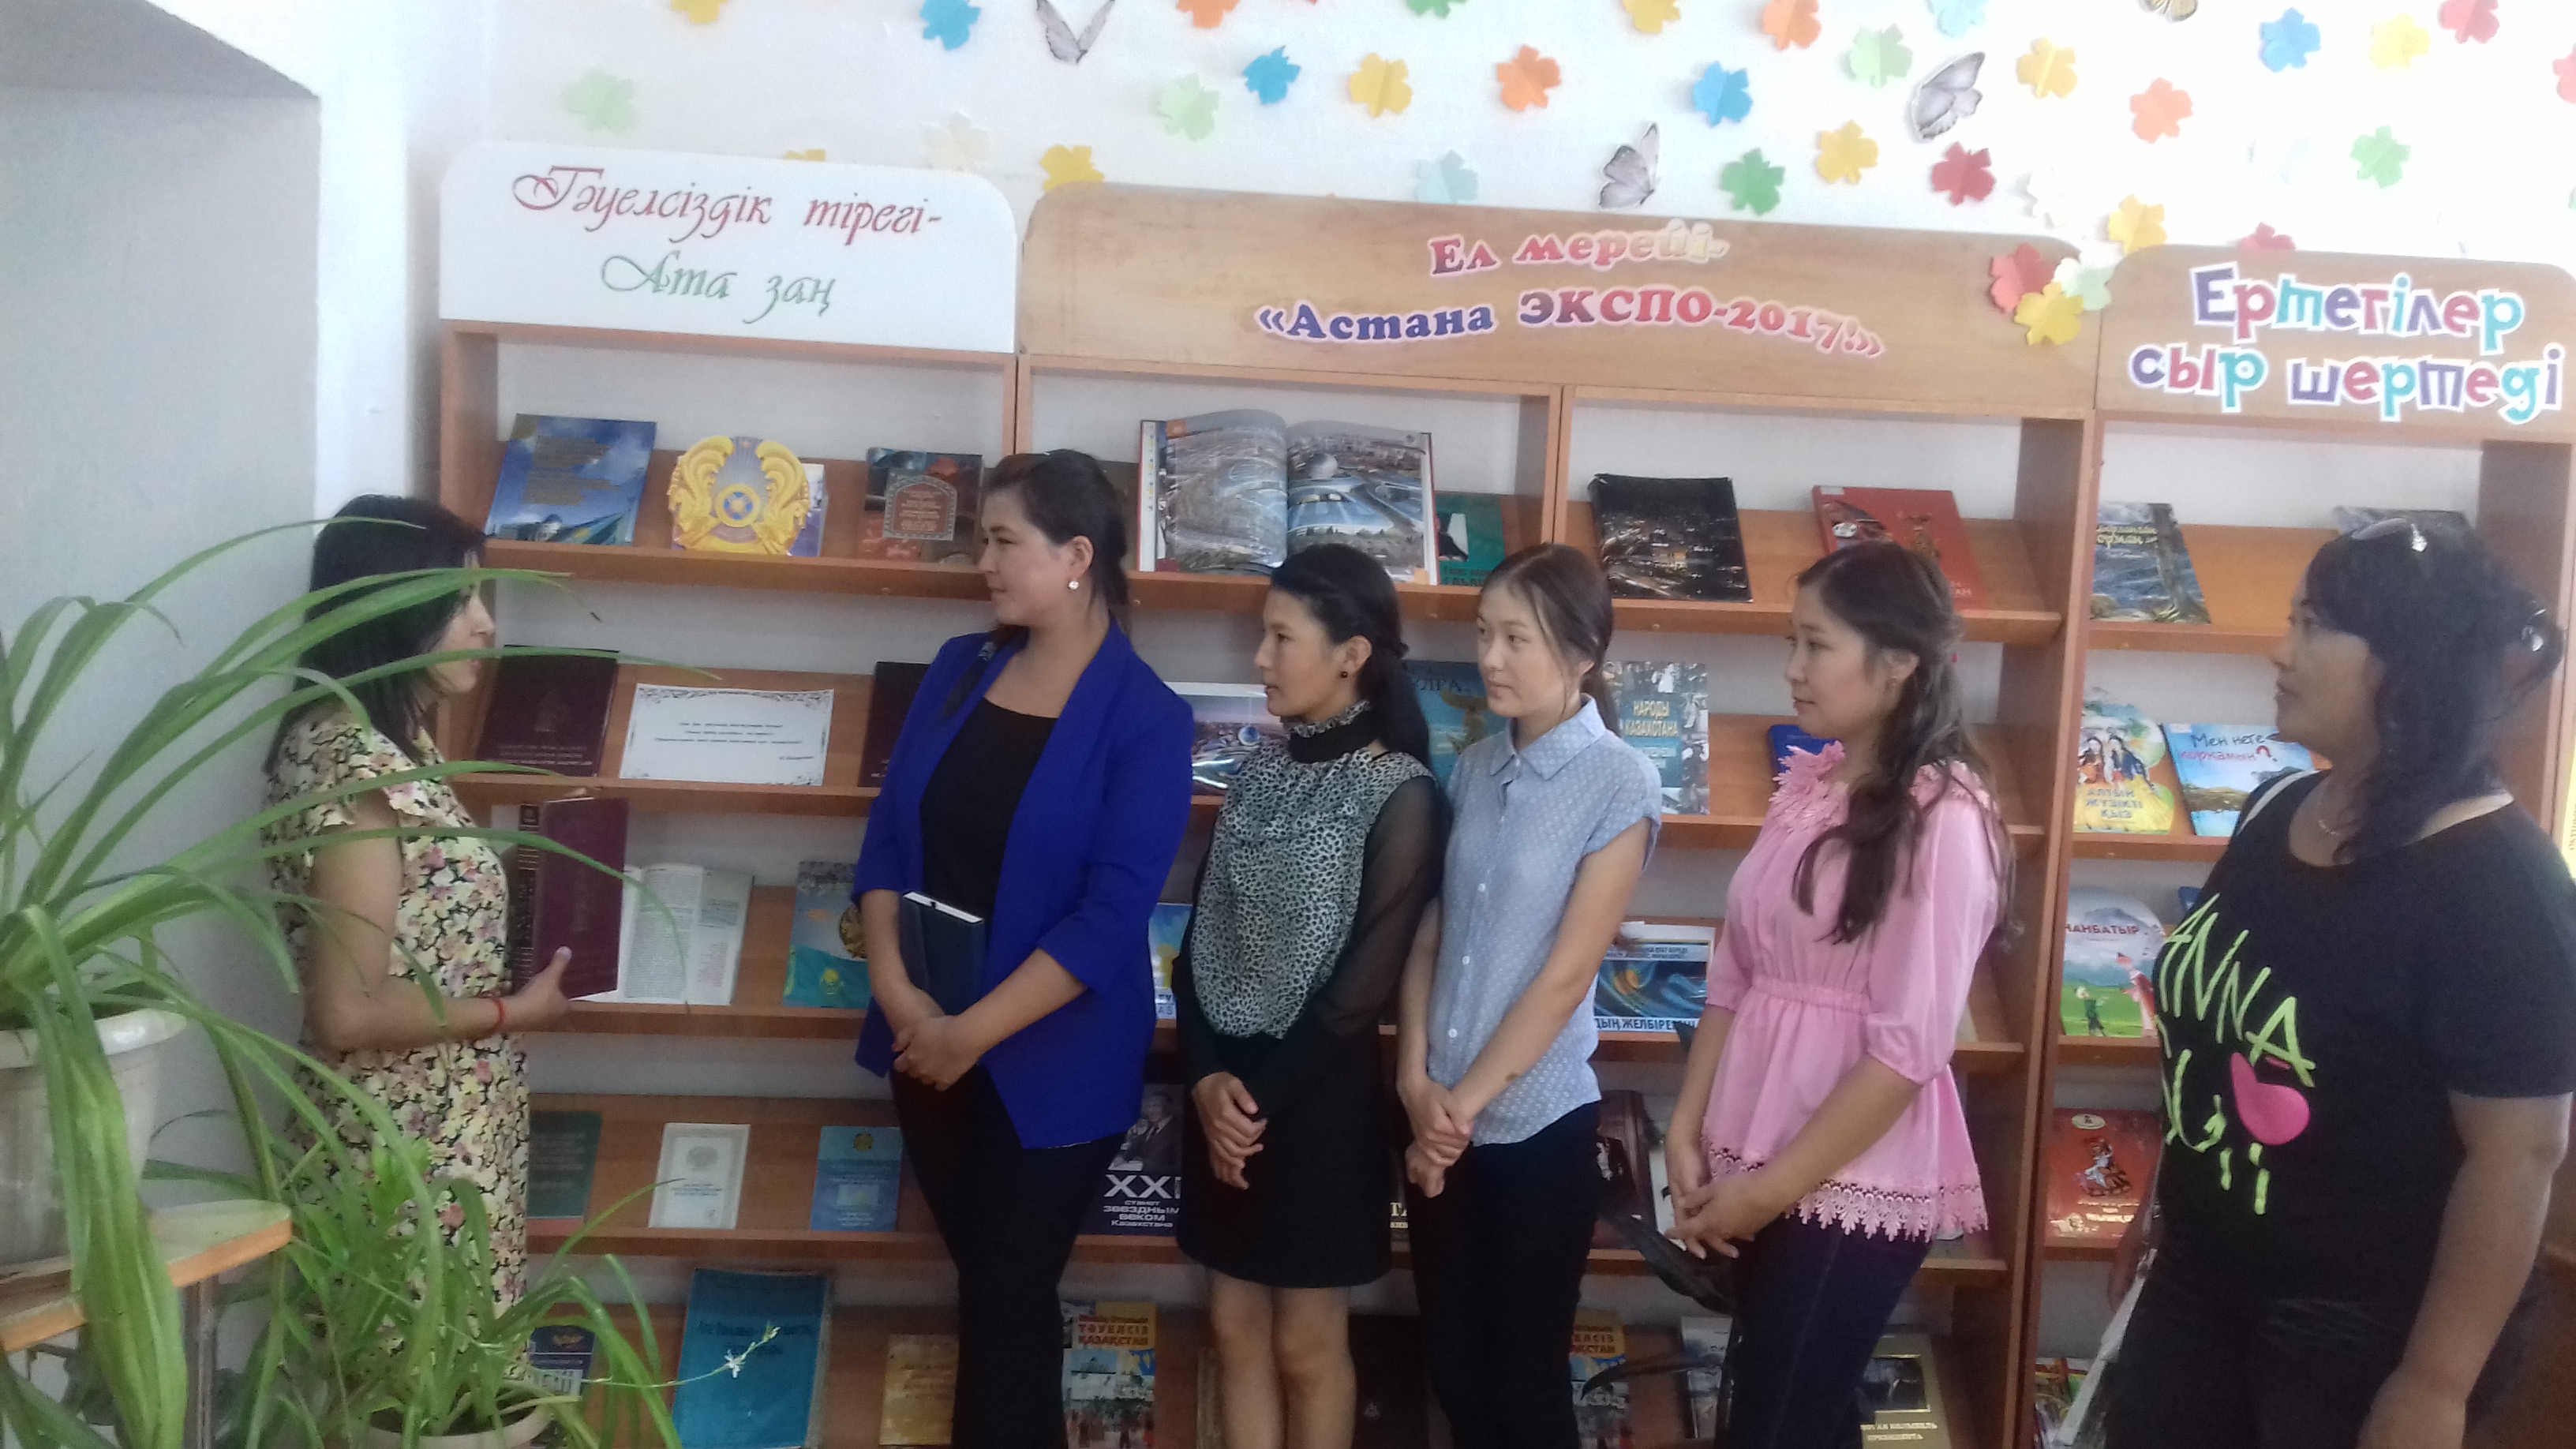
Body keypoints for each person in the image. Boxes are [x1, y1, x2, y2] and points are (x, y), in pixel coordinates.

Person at [2106, 519, 2576, 1449]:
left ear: (2409, 663)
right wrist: (2159, 1205)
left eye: (2315, 626)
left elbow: (2518, 1157)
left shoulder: (2498, 887)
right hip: (2201, 1280)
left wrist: (2435, 1383)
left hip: (2362, 1324)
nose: (2282, 653)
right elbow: (2215, 1046)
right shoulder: (2277, 809)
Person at [852, 450, 1193, 1449]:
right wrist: (900, 994)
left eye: (1004, 541)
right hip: (924, 1040)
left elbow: (1109, 915)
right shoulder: (960, 668)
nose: (984, 563)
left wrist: (971, 1035)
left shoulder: (1147, 718)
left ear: (1076, 556)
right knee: (994, 1299)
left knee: (1007, 1294)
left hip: (1053, 1065)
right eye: (982, 540)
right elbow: (887, 841)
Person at [1665, 541, 2009, 1446]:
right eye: (1793, 642)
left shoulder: (1945, 820)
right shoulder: (1812, 783)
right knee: (1793, 1420)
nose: (1793, 668)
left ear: (1898, 663)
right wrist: (1685, 1128)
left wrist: (1767, 1190)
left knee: (1779, 1423)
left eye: (1816, 645)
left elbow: (1909, 1049)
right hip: (1755, 1150)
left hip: (1847, 1173)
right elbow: (1736, 973)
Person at [263, 495, 572, 1306]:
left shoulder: (390, 742)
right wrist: (512, 1013)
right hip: (402, 1157)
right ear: (389, 605)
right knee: (415, 1380)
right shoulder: (355, 763)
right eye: (458, 600)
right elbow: (349, 1011)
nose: (485, 625)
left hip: (441, 1140)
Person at [1173, 544, 1446, 1449]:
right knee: (1232, 1326)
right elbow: (1198, 944)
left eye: (1281, 638)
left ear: (1351, 655)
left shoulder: (1402, 794)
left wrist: (1249, 1104)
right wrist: (1207, 1081)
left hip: (1317, 1106)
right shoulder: (1256, 775)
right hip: (1223, 1093)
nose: (1261, 658)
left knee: (1305, 1344)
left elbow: (1359, 993)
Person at [1396, 543, 1661, 1449]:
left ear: (1583, 654)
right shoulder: (1474, 767)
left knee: (1524, 1386)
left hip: (1535, 1127)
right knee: (1454, 1371)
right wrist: (1415, 1081)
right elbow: (1432, 933)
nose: (1491, 658)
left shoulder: (1620, 781)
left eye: (1517, 638)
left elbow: (1565, 977)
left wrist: (1457, 1112)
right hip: (1439, 1114)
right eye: (1484, 634)